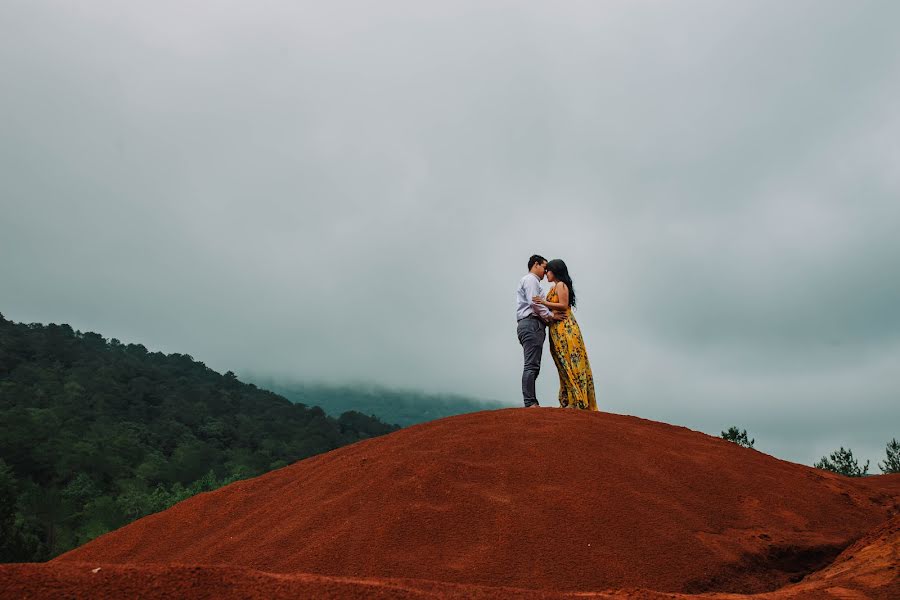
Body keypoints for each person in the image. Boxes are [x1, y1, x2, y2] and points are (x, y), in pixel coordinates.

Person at [532, 259, 597, 411]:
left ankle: (578, 400)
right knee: (563, 364)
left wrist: (543, 303)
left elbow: (563, 304)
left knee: (570, 363)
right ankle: (570, 400)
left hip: (565, 329)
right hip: (556, 329)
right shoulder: (553, 288)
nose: (546, 273)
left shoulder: (561, 285)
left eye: (548, 270)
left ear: (554, 271)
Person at [516, 255, 565, 407]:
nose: (545, 272)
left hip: (531, 324)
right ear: (535, 264)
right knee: (531, 365)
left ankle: (531, 401)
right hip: (531, 323)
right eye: (544, 267)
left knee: (533, 365)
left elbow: (539, 302)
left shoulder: (533, 282)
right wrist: (551, 316)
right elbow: (534, 303)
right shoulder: (531, 280)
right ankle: (530, 402)